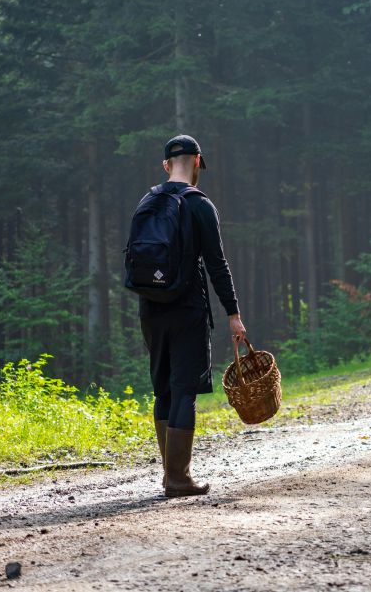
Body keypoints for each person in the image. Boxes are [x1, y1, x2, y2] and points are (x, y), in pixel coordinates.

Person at [137, 134, 247, 497]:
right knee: (184, 390)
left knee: (163, 390)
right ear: (197, 161)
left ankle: (170, 475)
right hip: (187, 309)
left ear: (167, 165)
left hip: (150, 309)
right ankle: (179, 479)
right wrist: (233, 314)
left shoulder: (148, 200)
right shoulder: (200, 205)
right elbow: (217, 266)